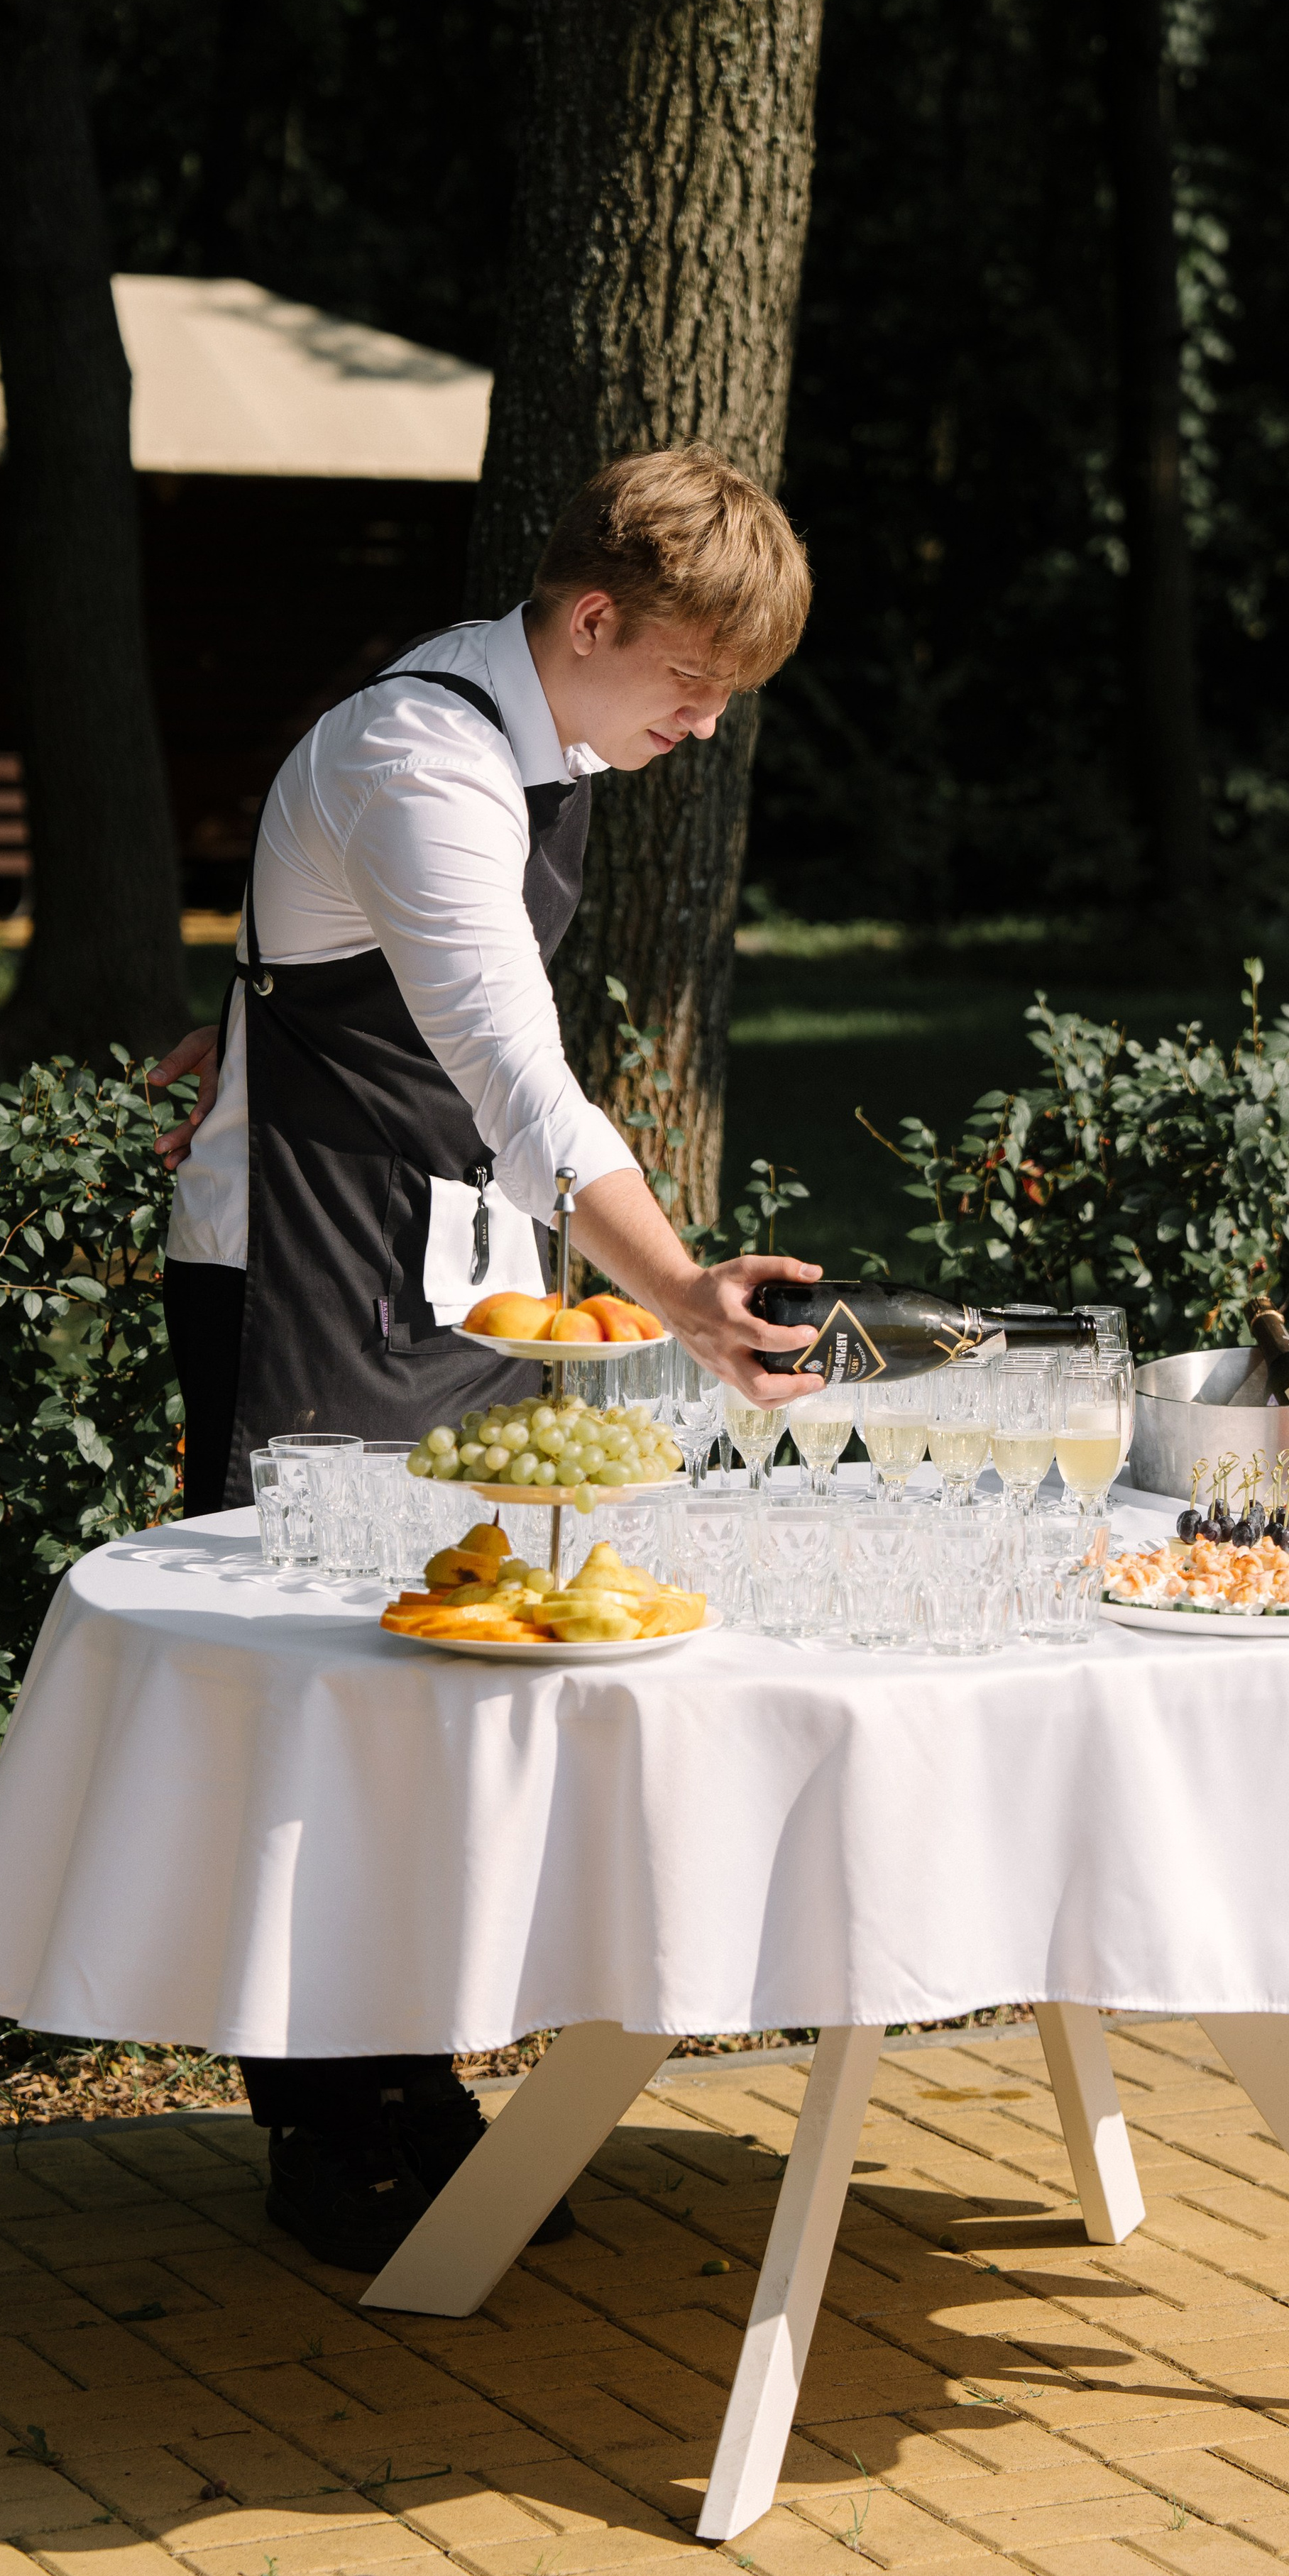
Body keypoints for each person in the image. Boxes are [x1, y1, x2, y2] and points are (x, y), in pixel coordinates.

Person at [148, 444, 823, 2271]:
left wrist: (222, 1026)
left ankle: (411, 2092)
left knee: (441, 1687)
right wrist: (685, 1294)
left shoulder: (544, 740)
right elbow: (518, 1078)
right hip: (297, 1264)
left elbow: (343, 967)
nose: (701, 723)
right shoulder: (421, 755)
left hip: (428, 1270)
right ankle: (328, 2126)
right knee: (327, 1703)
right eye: (690, 680)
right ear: (591, 619)